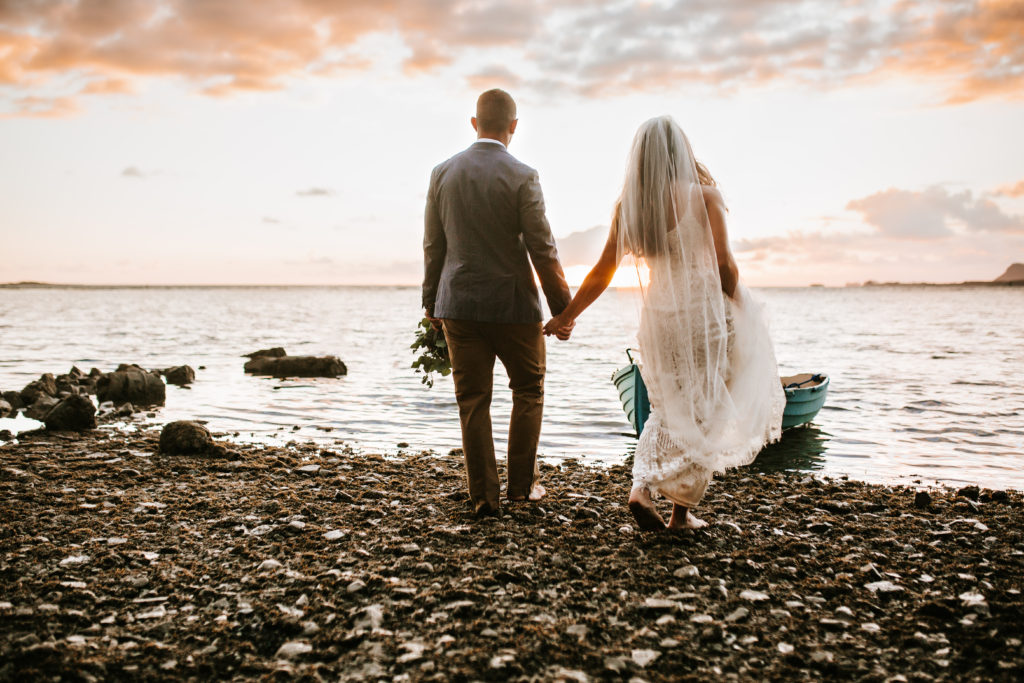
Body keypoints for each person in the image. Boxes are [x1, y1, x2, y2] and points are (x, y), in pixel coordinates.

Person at [544, 116, 785, 530]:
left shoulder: (632, 209)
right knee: (704, 410)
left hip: (659, 322)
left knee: (664, 409)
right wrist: (739, 304)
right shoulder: (706, 197)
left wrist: (567, 316)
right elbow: (725, 266)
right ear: (680, 153)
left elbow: (602, 271)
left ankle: (641, 488)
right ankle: (680, 514)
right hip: (704, 320)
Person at [423, 89, 572, 517]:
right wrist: (562, 308)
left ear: (474, 123)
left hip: (459, 304)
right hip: (514, 308)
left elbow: (434, 245)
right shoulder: (523, 175)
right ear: (514, 126)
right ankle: (522, 489)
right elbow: (543, 248)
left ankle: (484, 497)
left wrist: (430, 301)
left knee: (472, 399)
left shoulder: (441, 173)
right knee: (528, 390)